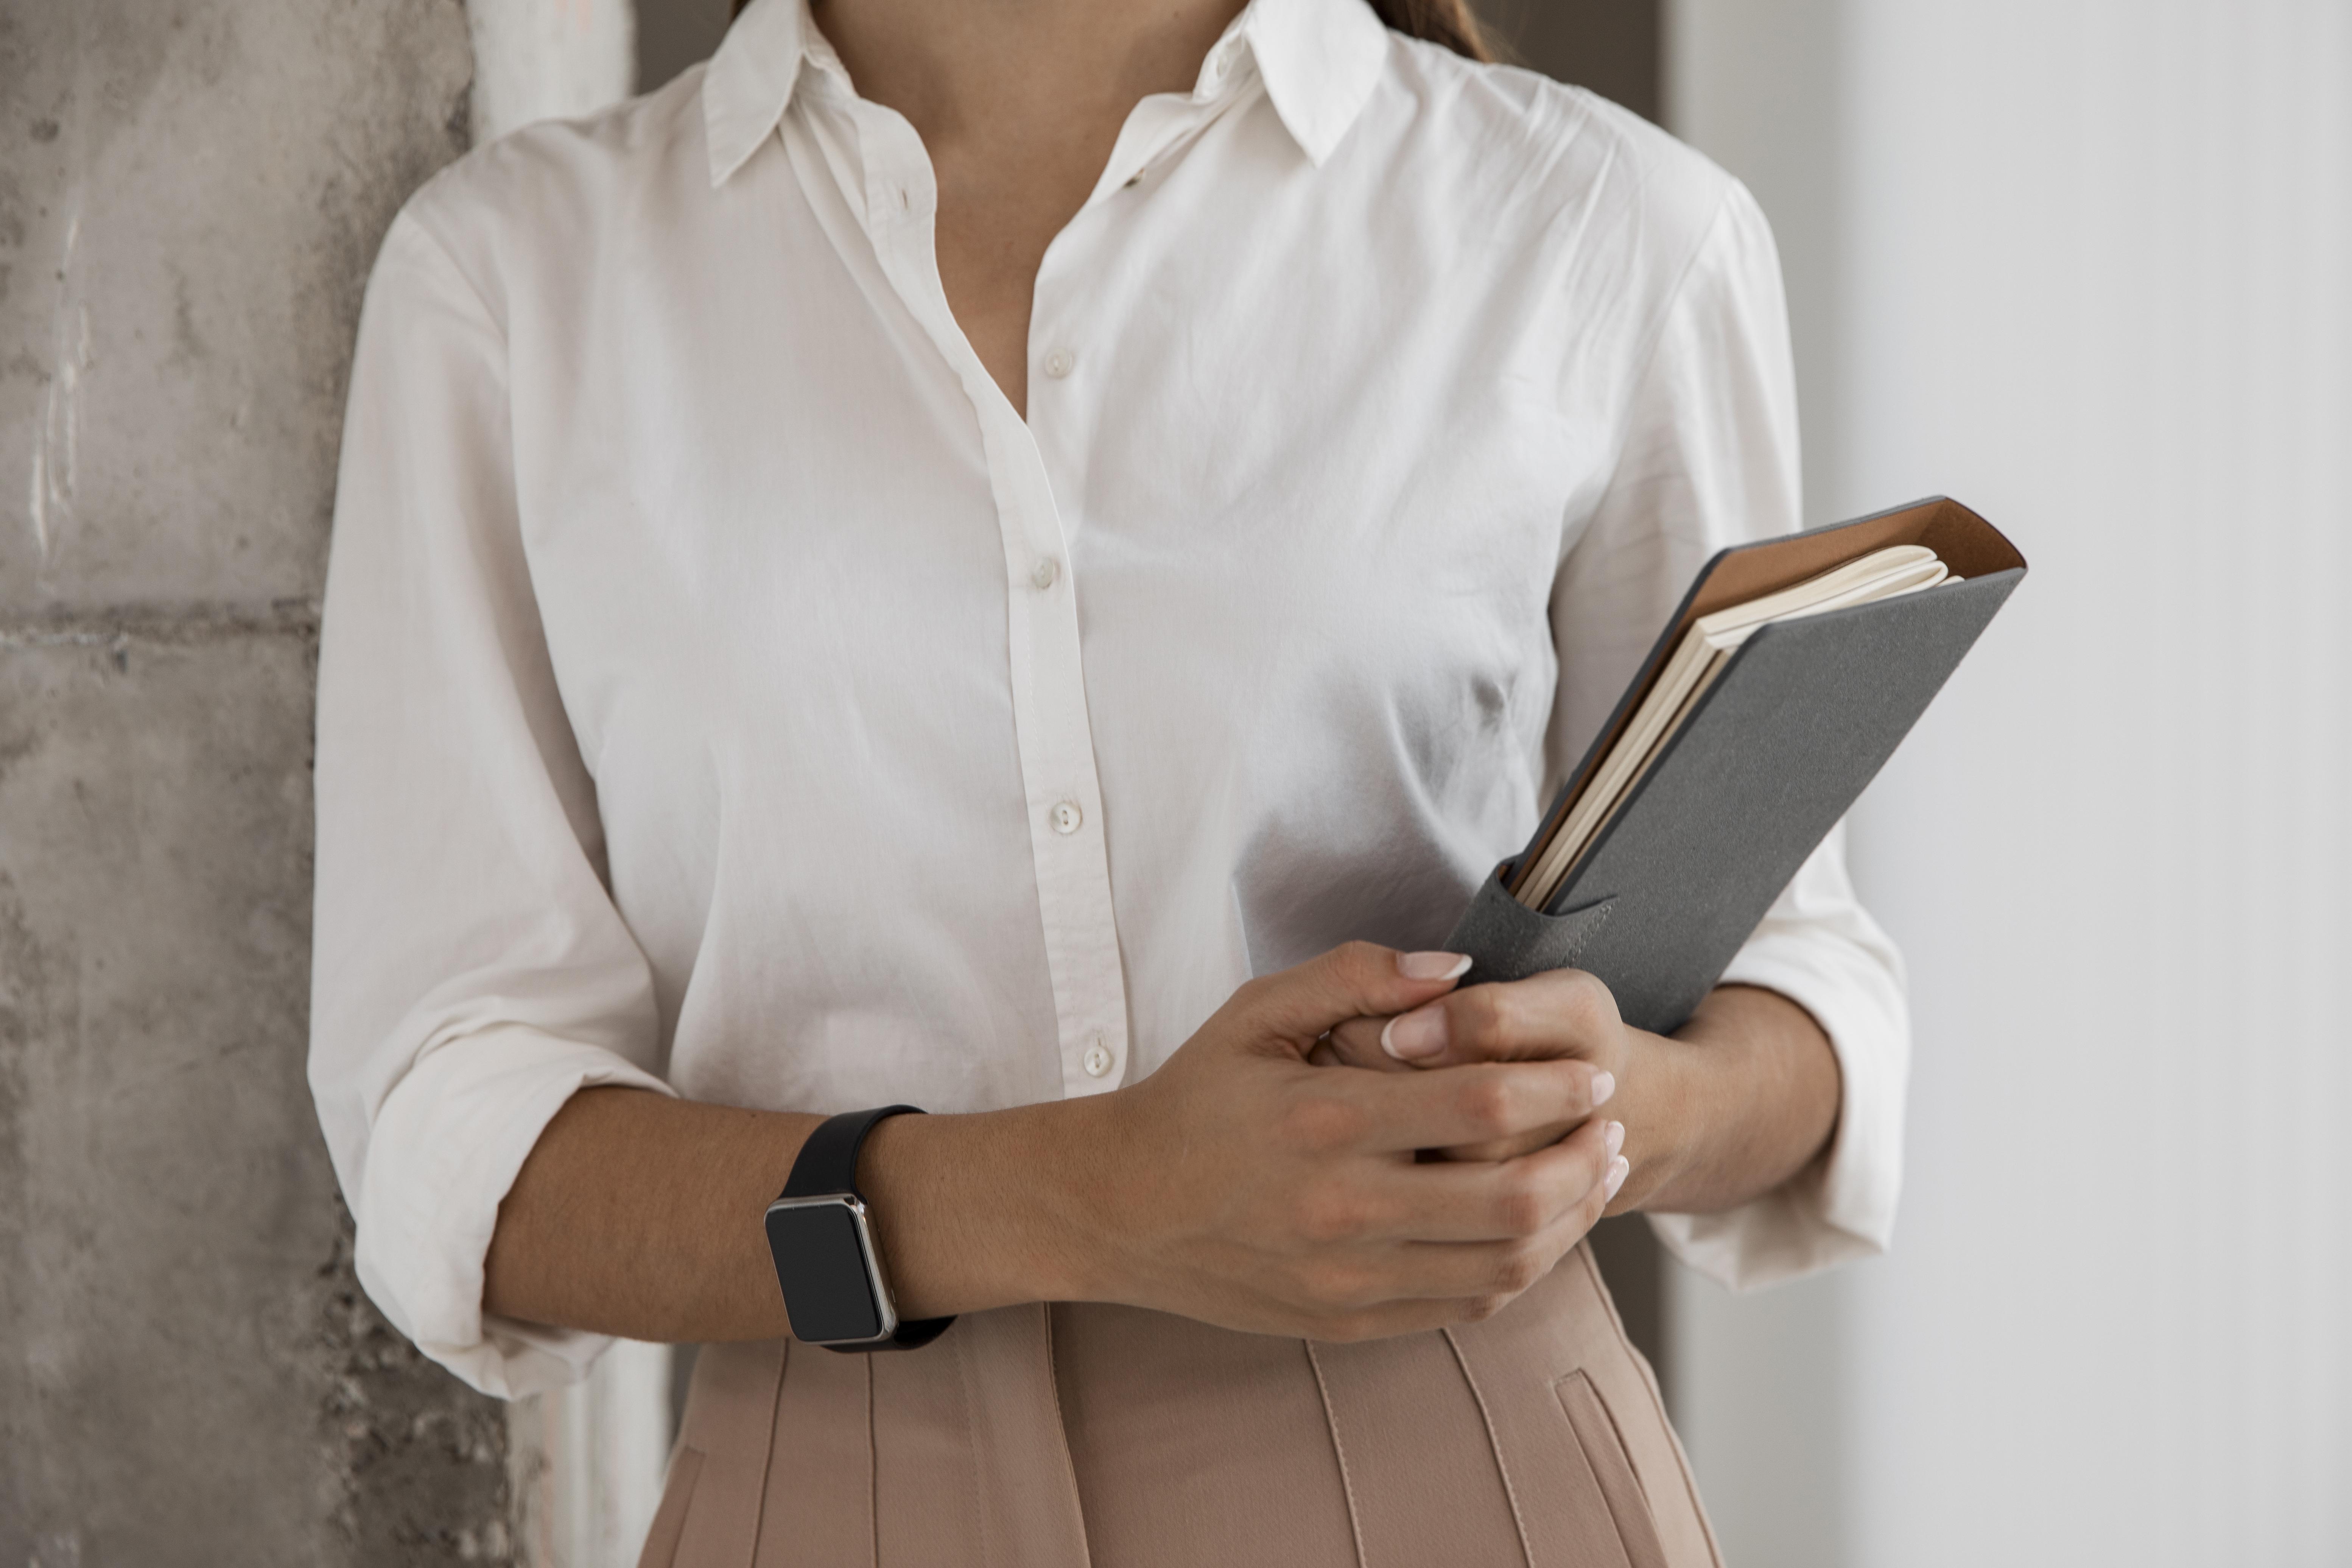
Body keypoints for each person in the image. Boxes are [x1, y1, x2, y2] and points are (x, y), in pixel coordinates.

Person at [308, 0, 1909, 1561]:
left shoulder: (1606, 226)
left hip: (1464, 1459)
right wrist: (1080, 1196)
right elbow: (455, 1134)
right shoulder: (516, 276)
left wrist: (1581, 1107)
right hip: (827, 1488)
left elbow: (1793, 992)